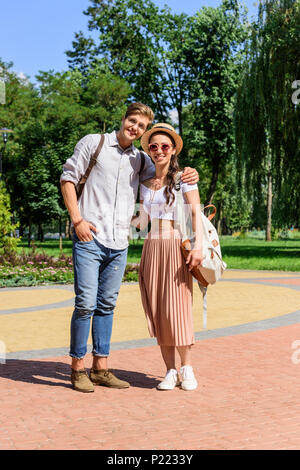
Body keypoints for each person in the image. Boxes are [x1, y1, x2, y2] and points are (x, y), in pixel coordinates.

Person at [60, 103, 199, 393]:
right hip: (90, 237)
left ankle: (101, 368)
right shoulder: (94, 143)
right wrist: (77, 220)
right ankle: (77, 368)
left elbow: (165, 174)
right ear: (123, 119)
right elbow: (68, 178)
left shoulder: (140, 160)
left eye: (141, 125)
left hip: (119, 242)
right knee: (86, 303)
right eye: (132, 121)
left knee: (107, 306)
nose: (135, 128)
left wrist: (190, 173)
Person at [134, 123, 204, 391]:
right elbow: (141, 223)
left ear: (173, 149)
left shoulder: (184, 178)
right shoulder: (146, 184)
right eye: (154, 146)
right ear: (149, 151)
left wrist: (197, 247)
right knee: (159, 309)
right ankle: (169, 371)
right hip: (152, 247)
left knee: (179, 308)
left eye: (165, 146)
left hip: (176, 244)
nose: (159, 150)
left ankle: (187, 368)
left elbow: (196, 214)